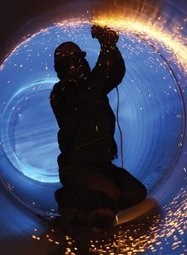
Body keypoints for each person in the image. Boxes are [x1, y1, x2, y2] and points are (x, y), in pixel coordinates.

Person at [50, 25, 147, 233]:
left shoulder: (91, 87)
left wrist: (109, 47)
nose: (80, 64)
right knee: (108, 197)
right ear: (63, 68)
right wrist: (106, 45)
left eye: (80, 59)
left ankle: (92, 206)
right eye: (73, 61)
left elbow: (113, 73)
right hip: (78, 167)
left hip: (101, 164)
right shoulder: (62, 93)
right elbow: (100, 78)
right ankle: (70, 202)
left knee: (136, 193)